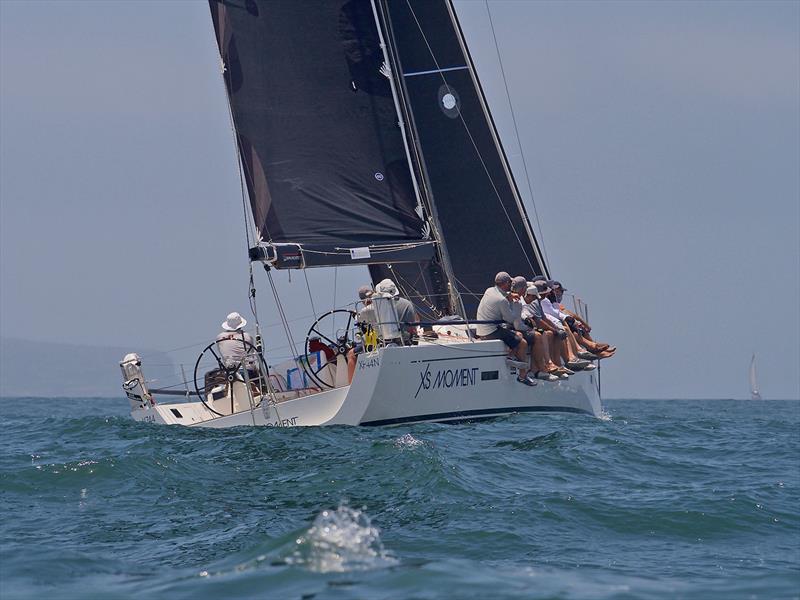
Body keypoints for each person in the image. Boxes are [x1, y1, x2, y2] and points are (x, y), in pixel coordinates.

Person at [475, 272, 532, 385]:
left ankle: (511, 356)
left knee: (517, 335)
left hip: (481, 329)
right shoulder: (502, 301)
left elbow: (501, 295)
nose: (511, 284)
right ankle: (522, 375)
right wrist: (517, 305)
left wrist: (509, 295)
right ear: (506, 283)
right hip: (491, 331)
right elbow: (510, 319)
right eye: (510, 282)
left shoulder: (489, 290)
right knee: (523, 343)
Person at [215, 312, 260, 381]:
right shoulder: (247, 336)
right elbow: (251, 353)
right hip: (247, 372)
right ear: (240, 325)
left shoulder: (219, 337)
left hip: (229, 373)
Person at [375, 278, 419, 344]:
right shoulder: (408, 303)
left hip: (388, 342)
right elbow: (415, 322)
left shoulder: (381, 306)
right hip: (408, 340)